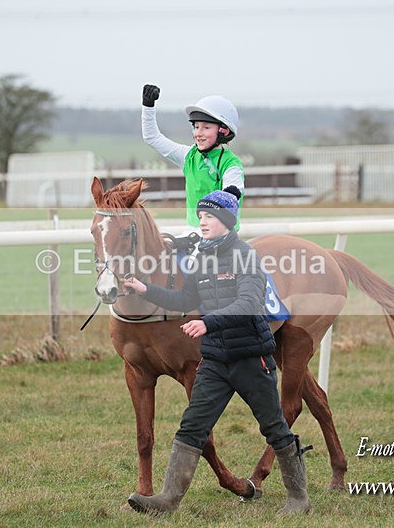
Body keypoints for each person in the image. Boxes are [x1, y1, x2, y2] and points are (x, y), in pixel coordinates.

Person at [123, 190, 310, 516]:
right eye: (201, 216)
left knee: (275, 428)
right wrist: (145, 289)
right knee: (191, 427)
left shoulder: (246, 256)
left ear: (225, 220)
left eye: (208, 216)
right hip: (214, 360)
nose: (202, 222)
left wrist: (208, 323)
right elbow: (183, 300)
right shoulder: (202, 258)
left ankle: (298, 498)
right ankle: (167, 499)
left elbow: (249, 304)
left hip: (252, 359)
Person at [141, 84, 245, 230]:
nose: (198, 133)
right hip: (192, 232)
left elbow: (232, 196)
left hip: (221, 236)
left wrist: (230, 195)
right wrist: (148, 107)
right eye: (196, 127)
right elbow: (152, 138)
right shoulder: (188, 155)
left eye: (206, 127)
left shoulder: (231, 164)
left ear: (223, 131)